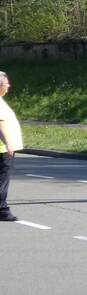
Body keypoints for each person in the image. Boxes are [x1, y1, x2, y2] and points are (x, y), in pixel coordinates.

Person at [0, 71, 23, 222]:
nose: (9, 86)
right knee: (2, 180)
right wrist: (8, 143)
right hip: (2, 149)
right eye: (7, 83)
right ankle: (2, 210)